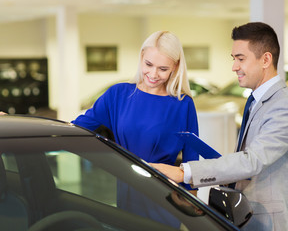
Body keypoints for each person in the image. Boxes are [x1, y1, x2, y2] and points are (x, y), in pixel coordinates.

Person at [151, 22, 288, 231]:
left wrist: (184, 173)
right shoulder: (257, 102)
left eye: (240, 59)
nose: (234, 66)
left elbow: (252, 161)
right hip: (250, 218)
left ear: (265, 59)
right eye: (233, 59)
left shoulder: (287, 108)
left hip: (273, 223)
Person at [72, 31, 199, 226]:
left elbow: (191, 158)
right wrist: (17, 121)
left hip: (165, 196)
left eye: (163, 68)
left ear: (175, 67)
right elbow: (75, 127)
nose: (154, 74)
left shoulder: (183, 104)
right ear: (141, 58)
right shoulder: (118, 94)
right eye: (149, 64)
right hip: (126, 190)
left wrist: (192, 199)